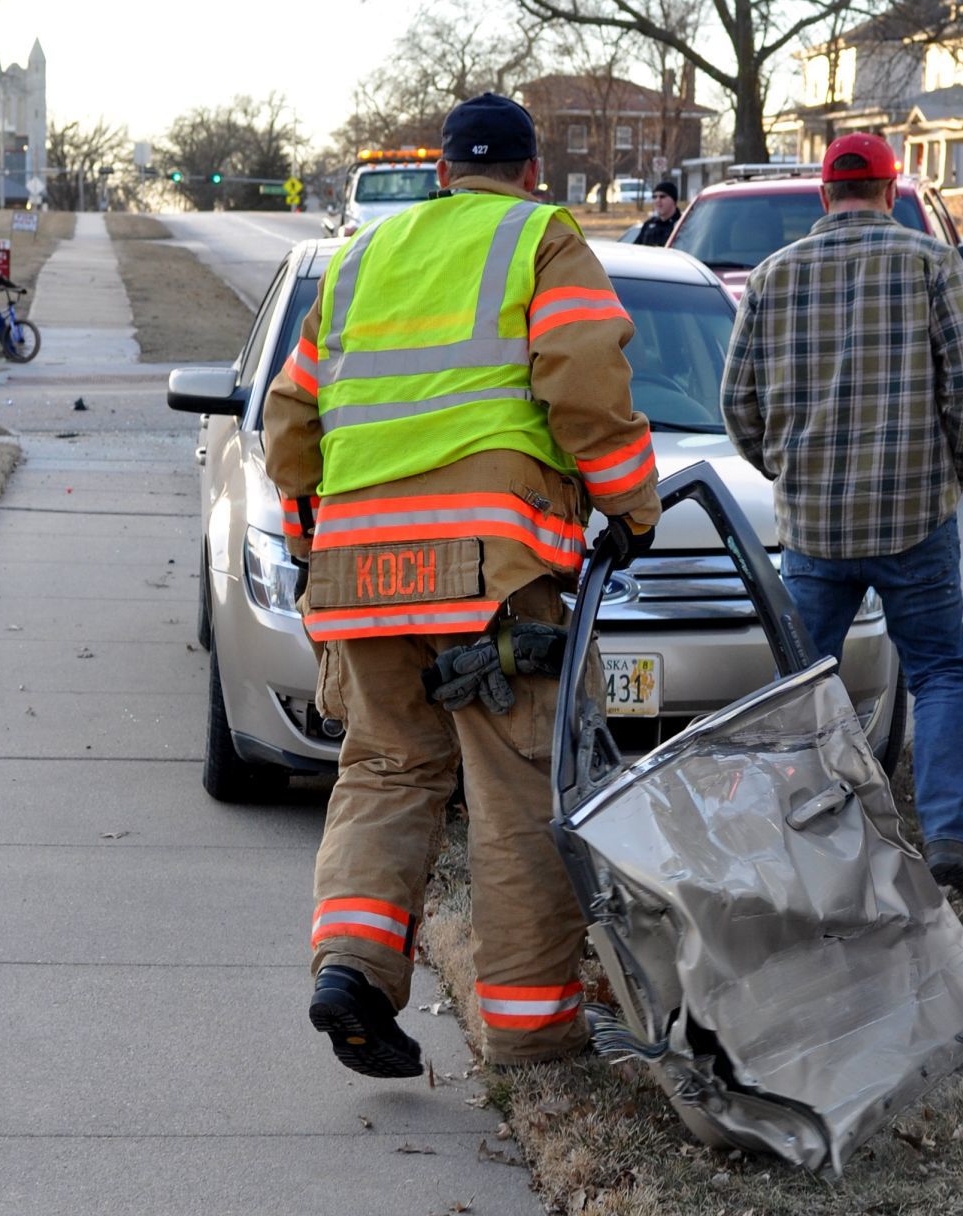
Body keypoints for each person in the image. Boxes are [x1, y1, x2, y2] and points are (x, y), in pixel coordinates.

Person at [262, 92, 660, 1077]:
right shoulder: (543, 238)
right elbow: (584, 385)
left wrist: (320, 537)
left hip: (360, 574)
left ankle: (350, 966)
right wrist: (634, 506)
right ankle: (531, 1028)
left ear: (440, 174)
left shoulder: (358, 259)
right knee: (515, 789)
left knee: (385, 770)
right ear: (532, 172)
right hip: (491, 573)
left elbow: (289, 423)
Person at [719, 132, 963, 912]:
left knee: (800, 685)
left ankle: (801, 833)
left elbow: (735, 405)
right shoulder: (930, 265)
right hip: (916, 519)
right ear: (890, 191)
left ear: (824, 194)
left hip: (813, 529)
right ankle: (949, 836)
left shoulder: (773, 278)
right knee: (941, 671)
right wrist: (957, 475)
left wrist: (786, 471)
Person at [636, 180, 680, 247]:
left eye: (662, 197)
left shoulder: (682, 225)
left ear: (674, 200)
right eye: (654, 197)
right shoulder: (649, 224)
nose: (657, 200)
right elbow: (636, 249)